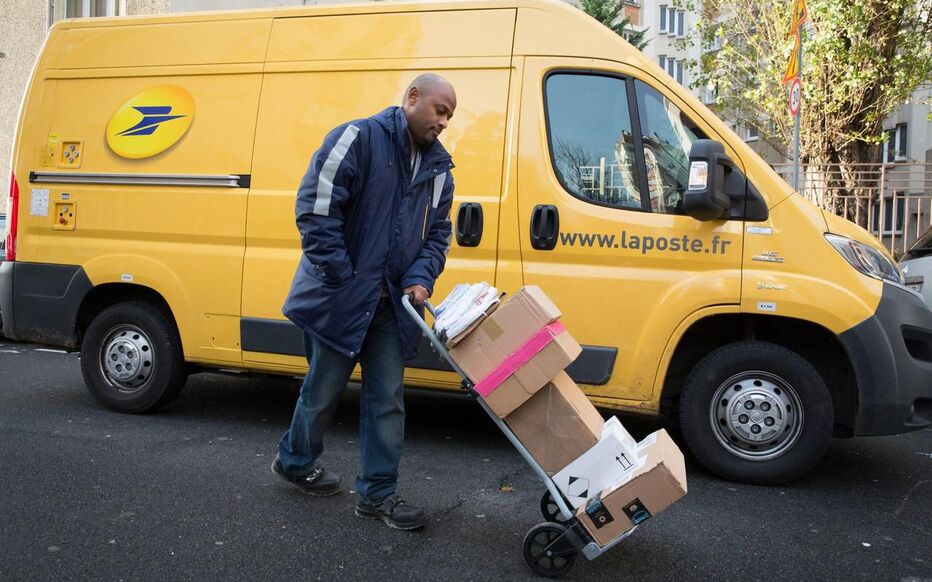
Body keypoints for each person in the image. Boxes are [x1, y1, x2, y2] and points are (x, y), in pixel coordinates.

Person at [271, 74, 457, 532]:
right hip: (341, 297)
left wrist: (418, 278)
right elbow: (315, 208)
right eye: (440, 110)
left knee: (387, 398)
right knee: (322, 391)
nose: (445, 122)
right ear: (412, 98)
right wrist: (343, 276)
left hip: (391, 306)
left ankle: (377, 495)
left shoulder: (439, 170)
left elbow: (437, 236)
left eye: (450, 116)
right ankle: (295, 460)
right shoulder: (357, 138)